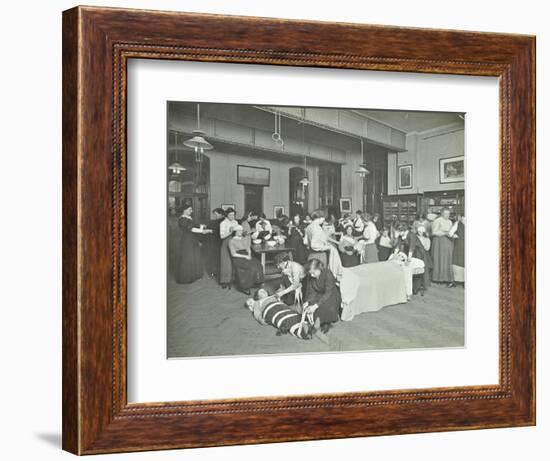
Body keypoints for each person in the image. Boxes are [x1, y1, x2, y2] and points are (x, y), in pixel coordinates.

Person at [245, 288, 314, 340]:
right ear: (257, 296)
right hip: (270, 310)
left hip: (281, 306)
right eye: (261, 291)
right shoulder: (258, 303)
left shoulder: (273, 296)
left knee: (292, 314)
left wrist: (280, 294)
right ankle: (303, 333)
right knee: (284, 320)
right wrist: (261, 320)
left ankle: (308, 326)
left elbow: (281, 301)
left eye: (264, 290)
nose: (263, 291)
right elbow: (257, 314)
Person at [174, 203, 212, 284]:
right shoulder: (182, 219)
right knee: (188, 257)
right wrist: (202, 231)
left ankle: (194, 275)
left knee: (194, 256)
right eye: (190, 209)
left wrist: (201, 226)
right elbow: (190, 229)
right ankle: (186, 278)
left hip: (193, 239)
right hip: (187, 240)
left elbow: (194, 227)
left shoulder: (189, 218)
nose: (191, 211)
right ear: (184, 210)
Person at [303, 259, 341, 333]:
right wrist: (308, 301)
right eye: (310, 273)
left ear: (319, 268)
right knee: (310, 305)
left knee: (324, 305)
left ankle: (326, 322)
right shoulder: (311, 276)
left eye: (313, 273)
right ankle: (317, 321)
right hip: (320, 294)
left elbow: (328, 292)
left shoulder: (328, 273)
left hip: (331, 295)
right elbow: (311, 291)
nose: (311, 275)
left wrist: (316, 306)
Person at [305, 211, 343, 280]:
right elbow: (314, 245)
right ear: (320, 218)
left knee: (312, 278)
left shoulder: (309, 227)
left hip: (311, 255)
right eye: (323, 218)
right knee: (320, 279)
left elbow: (305, 242)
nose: (323, 220)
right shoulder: (317, 228)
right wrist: (327, 247)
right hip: (319, 256)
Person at [228, 224, 264, 295]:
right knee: (251, 267)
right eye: (239, 231)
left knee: (258, 264)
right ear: (235, 232)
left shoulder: (243, 238)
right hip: (238, 258)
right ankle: (244, 287)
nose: (241, 232)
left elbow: (248, 248)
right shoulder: (231, 241)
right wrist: (245, 257)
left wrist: (249, 254)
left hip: (246, 255)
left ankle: (256, 282)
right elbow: (233, 254)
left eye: (241, 231)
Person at [395, 223, 429, 294]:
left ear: (404, 230)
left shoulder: (412, 235)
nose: (398, 233)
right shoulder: (401, 236)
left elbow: (412, 247)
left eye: (399, 231)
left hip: (418, 252)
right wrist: (394, 255)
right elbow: (397, 246)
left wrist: (409, 259)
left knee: (416, 269)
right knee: (409, 270)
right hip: (410, 252)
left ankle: (417, 287)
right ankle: (411, 287)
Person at [431, 208, 455, 285]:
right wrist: (444, 233)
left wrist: (452, 234)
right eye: (445, 213)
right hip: (439, 242)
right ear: (441, 213)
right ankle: (438, 278)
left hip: (448, 242)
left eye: (448, 214)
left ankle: (447, 278)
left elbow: (451, 231)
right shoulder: (437, 221)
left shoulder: (450, 221)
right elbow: (434, 232)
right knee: (439, 258)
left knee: (448, 259)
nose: (447, 215)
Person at [219, 208, 239, 289]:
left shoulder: (235, 222)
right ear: (226, 215)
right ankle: (225, 281)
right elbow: (221, 236)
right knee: (225, 262)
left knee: (235, 261)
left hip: (235, 242)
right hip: (226, 242)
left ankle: (234, 279)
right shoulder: (223, 223)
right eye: (230, 215)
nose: (232, 216)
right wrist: (230, 232)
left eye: (233, 215)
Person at [203, 208, 224, 280]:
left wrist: (210, 230)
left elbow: (219, 232)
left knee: (218, 258)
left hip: (219, 242)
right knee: (213, 258)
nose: (215, 215)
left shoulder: (223, 221)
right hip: (213, 242)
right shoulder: (216, 221)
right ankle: (213, 272)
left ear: (221, 214)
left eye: (216, 214)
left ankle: (217, 273)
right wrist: (206, 227)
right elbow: (212, 226)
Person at [449, 215, 465, 287]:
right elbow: (450, 233)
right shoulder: (457, 224)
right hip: (459, 245)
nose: (463, 219)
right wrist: (453, 235)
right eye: (463, 217)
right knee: (457, 262)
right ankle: (457, 280)